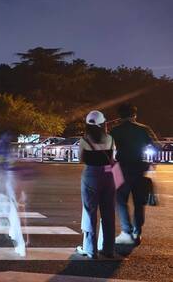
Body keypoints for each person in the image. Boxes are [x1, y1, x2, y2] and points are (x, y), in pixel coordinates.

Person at [110, 103, 159, 245]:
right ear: (134, 115)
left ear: (120, 116)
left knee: (120, 200)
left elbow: (109, 148)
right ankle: (137, 232)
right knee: (139, 202)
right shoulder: (144, 129)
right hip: (139, 167)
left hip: (120, 168)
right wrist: (151, 161)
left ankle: (126, 231)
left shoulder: (115, 130)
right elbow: (157, 146)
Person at [76, 110, 116, 259]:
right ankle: (108, 249)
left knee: (89, 211)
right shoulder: (110, 138)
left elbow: (81, 159)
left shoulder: (84, 140)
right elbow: (112, 157)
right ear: (102, 123)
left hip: (91, 175)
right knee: (108, 212)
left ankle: (90, 249)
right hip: (108, 175)